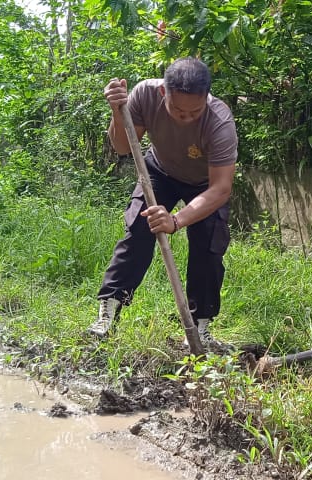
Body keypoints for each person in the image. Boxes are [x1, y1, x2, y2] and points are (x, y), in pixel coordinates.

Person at [89, 57, 236, 348]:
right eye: (178, 110)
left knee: (209, 247)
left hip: (205, 185)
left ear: (206, 98)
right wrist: (117, 112)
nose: (186, 117)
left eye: (194, 111)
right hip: (159, 172)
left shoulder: (219, 121)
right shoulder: (145, 94)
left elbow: (221, 188)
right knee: (139, 229)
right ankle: (108, 312)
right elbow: (122, 147)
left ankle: (200, 328)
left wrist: (176, 220)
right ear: (162, 93)